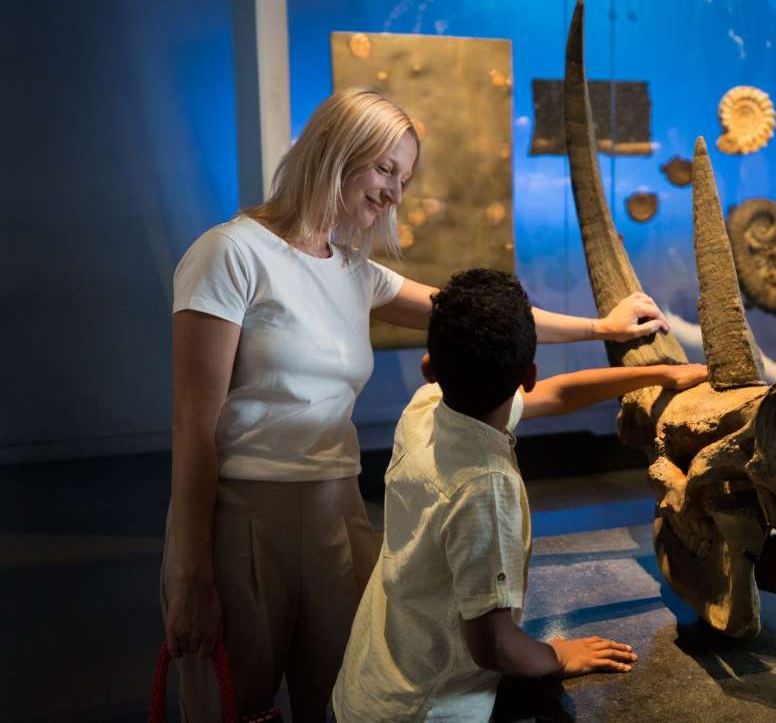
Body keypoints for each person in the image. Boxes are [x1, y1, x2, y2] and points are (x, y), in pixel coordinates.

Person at [161, 88, 670, 721]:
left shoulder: (354, 269)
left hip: (338, 510)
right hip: (242, 518)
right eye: (384, 168)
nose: (394, 192)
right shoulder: (228, 254)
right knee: (238, 703)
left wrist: (603, 329)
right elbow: (193, 425)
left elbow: (485, 320)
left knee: (339, 696)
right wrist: (190, 570)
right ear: (336, 151)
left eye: (403, 177)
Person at [331, 269, 706, 721]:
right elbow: (493, 645)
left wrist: (659, 374)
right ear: (526, 374)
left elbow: (560, 393)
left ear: (430, 366)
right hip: (429, 707)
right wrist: (557, 657)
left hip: (372, 684)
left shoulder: (427, 406)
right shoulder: (485, 489)